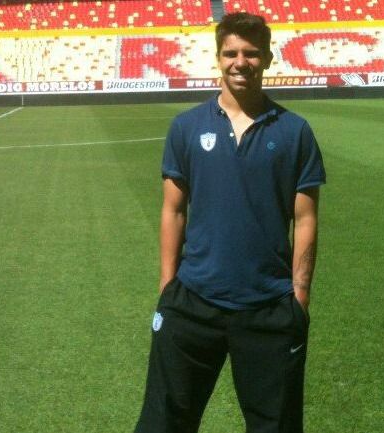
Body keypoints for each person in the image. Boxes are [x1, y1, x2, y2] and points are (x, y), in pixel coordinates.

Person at [134, 12, 325, 433]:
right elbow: (173, 210)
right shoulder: (186, 127)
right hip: (193, 302)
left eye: (252, 53)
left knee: (274, 426)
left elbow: (306, 217)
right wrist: (168, 287)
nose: (241, 62)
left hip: (269, 307)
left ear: (269, 59)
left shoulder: (295, 132)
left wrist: (300, 297)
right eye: (232, 53)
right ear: (219, 59)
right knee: (164, 422)